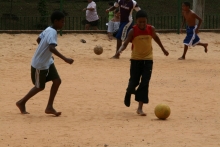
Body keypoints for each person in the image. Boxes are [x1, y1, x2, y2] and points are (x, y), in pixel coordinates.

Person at [16, 11, 74, 116]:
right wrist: (65, 59)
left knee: (57, 81)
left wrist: (46, 54)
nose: (63, 24)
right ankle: (21, 102)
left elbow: (38, 39)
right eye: (62, 21)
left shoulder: (48, 29)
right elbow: (52, 47)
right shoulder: (52, 32)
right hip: (40, 64)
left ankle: (49, 107)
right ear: (56, 21)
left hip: (48, 61)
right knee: (39, 87)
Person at [115, 10, 169, 116]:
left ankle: (140, 108)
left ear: (147, 21)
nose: (142, 24)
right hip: (135, 60)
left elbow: (156, 38)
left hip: (148, 59)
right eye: (140, 22)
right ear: (136, 21)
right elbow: (125, 43)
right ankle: (129, 91)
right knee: (133, 83)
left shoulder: (151, 29)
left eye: (144, 22)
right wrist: (119, 50)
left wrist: (163, 49)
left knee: (145, 83)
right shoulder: (132, 31)